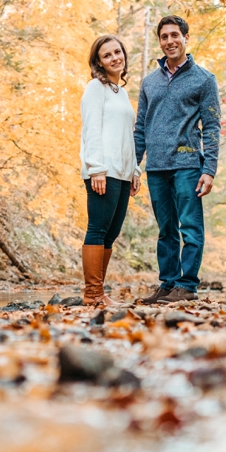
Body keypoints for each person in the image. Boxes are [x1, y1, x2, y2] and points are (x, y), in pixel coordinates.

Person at [133, 15, 220, 304]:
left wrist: (209, 169)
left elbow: (212, 126)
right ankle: (168, 285)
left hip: (187, 164)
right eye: (164, 36)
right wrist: (135, 164)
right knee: (165, 230)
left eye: (174, 35)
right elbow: (141, 127)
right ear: (160, 41)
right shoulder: (150, 82)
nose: (169, 41)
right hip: (156, 167)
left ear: (186, 38)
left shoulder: (204, 79)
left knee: (190, 227)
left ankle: (187, 286)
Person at [79, 34, 141, 305]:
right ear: (99, 62)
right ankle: (92, 294)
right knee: (98, 228)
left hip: (122, 172)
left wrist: (135, 170)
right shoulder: (95, 88)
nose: (115, 58)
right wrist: (96, 168)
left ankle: (99, 293)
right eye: (107, 55)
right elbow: (91, 129)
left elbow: (127, 135)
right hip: (102, 170)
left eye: (118, 52)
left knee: (112, 232)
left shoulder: (122, 92)